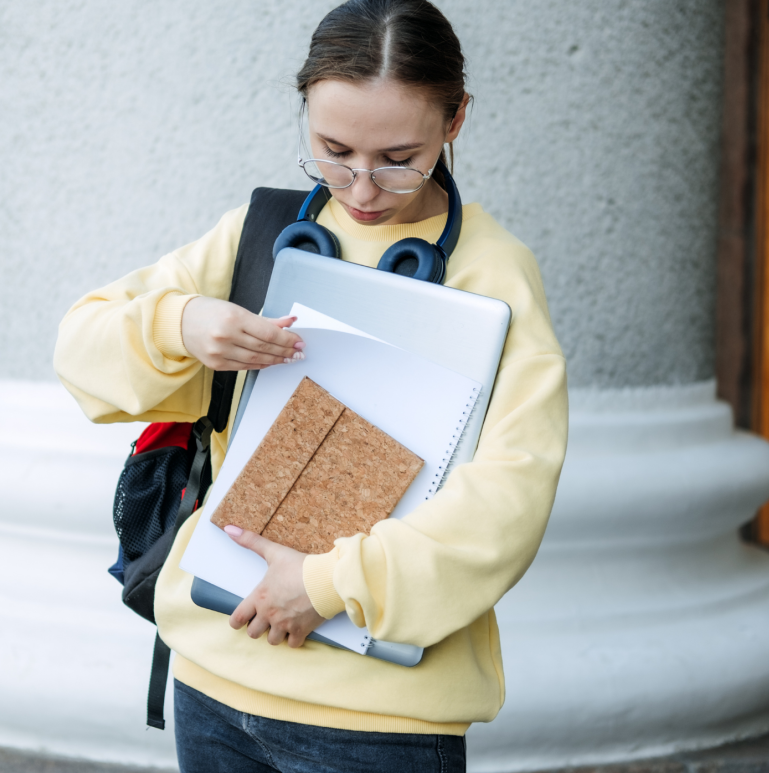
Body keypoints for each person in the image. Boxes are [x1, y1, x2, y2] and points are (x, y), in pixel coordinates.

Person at [54, 1, 568, 770]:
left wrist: (329, 584)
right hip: (212, 676)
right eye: (333, 150)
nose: (361, 187)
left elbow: (510, 498)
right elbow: (80, 345)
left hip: (376, 721)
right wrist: (184, 324)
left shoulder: (493, 274)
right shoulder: (259, 232)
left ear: (456, 118)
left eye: (400, 157)